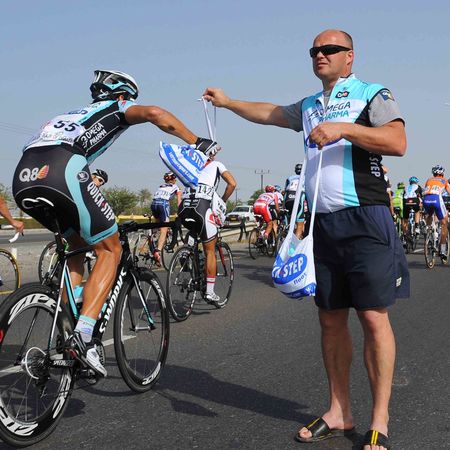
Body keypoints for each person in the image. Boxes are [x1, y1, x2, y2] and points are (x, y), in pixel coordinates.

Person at [203, 29, 409, 450]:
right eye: (314, 50)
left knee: (373, 318)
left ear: (350, 56)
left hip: (366, 217)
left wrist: (344, 129)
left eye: (330, 49)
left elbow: (397, 141)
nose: (320, 55)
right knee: (330, 320)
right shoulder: (311, 105)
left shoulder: (372, 93)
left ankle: (380, 418)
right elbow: (270, 112)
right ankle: (339, 411)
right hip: (322, 224)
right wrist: (228, 102)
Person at [12, 69, 219, 377]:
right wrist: (197, 141)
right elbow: (155, 113)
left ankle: (68, 324)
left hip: (23, 177)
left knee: (77, 246)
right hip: (62, 169)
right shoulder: (117, 106)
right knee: (111, 249)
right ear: (123, 95)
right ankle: (84, 337)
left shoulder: (70, 114)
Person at [178, 152, 236, 304]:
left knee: (193, 228)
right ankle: (210, 291)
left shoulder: (190, 164)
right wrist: (223, 200)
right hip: (202, 207)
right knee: (210, 251)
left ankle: (187, 250)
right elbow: (232, 184)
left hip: (184, 207)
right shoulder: (216, 164)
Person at [150, 171, 182, 265]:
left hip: (154, 204)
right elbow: (179, 203)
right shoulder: (176, 187)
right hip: (163, 204)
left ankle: (151, 241)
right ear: (174, 179)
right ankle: (158, 252)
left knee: (157, 226)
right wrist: (181, 212)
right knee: (164, 229)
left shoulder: (161, 186)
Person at [422, 165, 450, 262]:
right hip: (436, 199)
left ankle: (428, 230)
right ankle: (442, 250)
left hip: (426, 199)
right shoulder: (444, 180)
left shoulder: (428, 180)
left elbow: (426, 190)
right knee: (444, 223)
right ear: (442, 173)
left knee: (430, 214)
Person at [284, 163, 308, 239]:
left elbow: (285, 190)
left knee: (289, 219)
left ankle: (286, 231)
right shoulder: (306, 178)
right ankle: (295, 244)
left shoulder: (290, 178)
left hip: (288, 196)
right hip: (299, 196)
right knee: (300, 224)